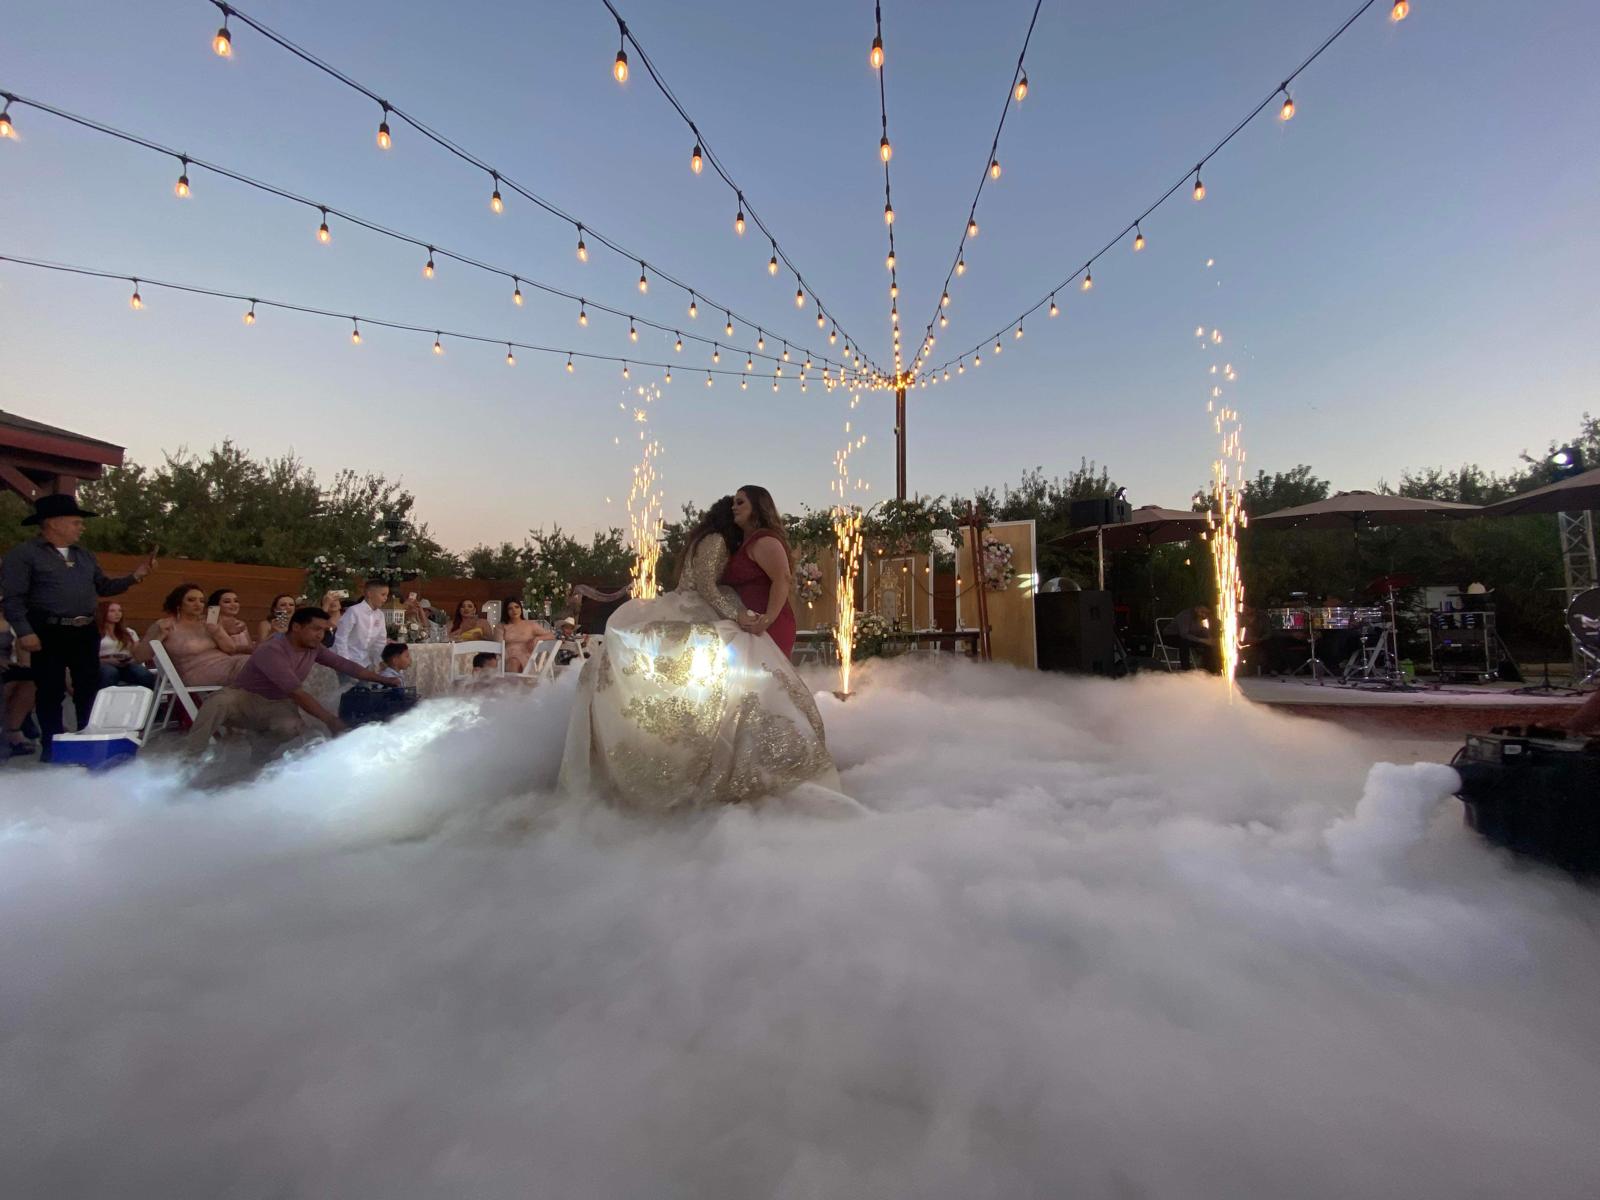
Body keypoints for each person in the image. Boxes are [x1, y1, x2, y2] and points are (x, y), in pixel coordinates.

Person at [560, 494, 844, 813]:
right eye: (733, 507)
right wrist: (737, 614)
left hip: (692, 606)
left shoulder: (706, 539)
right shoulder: (717, 540)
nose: (737, 513)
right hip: (696, 607)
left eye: (742, 504)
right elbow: (707, 587)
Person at [0, 493, 156, 760]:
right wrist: (25, 631)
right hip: (48, 629)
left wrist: (135, 576)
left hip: (84, 630)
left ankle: (86, 741)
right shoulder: (24, 555)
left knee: (88, 687)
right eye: (75, 522)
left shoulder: (84, 555)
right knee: (50, 690)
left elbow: (104, 587)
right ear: (53, 523)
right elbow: (13, 598)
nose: (81, 527)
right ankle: (52, 747)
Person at [184, 606, 399, 753]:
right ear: (296, 627)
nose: (320, 635)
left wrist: (383, 679)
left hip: (277, 703)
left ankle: (259, 757)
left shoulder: (314, 648)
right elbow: (297, 692)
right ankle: (189, 760)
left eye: (324, 631)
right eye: (315, 629)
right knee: (218, 702)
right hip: (245, 699)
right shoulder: (272, 649)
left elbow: (345, 665)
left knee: (291, 727)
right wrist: (330, 720)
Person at [722, 484, 798, 658]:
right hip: (749, 627)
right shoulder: (744, 543)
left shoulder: (764, 540)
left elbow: (782, 578)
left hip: (767, 627)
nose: (734, 507)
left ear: (757, 507)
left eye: (740, 502)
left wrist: (767, 619)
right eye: (733, 503)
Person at [139, 583, 252, 688]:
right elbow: (140, 657)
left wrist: (217, 631)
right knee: (252, 666)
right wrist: (159, 636)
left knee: (256, 661)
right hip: (197, 672)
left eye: (202, 601)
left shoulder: (209, 621)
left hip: (228, 664)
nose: (198, 604)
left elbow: (230, 649)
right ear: (178, 602)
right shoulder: (166, 625)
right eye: (191, 600)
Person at [2, 603, 39, 757]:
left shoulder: (13, 622)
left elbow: (24, 654)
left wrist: (24, 664)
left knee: (31, 676)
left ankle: (13, 730)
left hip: (7, 665)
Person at [332, 578, 391, 671]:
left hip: (365, 662)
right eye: (383, 594)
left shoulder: (380, 615)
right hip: (349, 659)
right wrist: (345, 662)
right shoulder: (354, 611)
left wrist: (379, 661)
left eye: (387, 595)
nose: (385, 598)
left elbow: (380, 642)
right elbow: (341, 637)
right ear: (369, 594)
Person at [96, 599, 156, 688]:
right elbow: (88, 656)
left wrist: (131, 657)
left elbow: (137, 653)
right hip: (103, 662)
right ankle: (102, 696)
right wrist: (106, 660)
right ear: (103, 613)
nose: (117, 614)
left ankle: (150, 696)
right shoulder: (94, 633)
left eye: (120, 611)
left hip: (125, 664)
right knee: (110, 673)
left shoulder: (129, 632)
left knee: (144, 674)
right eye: (112, 611)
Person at [496, 597, 555, 673]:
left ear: (521, 608)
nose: (514, 610)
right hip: (506, 658)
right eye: (510, 608)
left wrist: (537, 638)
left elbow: (552, 635)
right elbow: (498, 646)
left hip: (526, 659)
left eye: (517, 607)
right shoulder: (501, 626)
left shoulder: (530, 625)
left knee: (514, 662)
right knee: (512, 662)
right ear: (506, 611)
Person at [1170, 604, 1219, 672]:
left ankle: (1210, 670)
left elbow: (1203, 630)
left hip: (1189, 637)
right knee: (1184, 642)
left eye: (1206, 613)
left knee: (1208, 645)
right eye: (1202, 612)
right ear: (1196, 608)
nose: (1204, 615)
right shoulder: (1185, 616)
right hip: (1172, 636)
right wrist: (1202, 640)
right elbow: (1184, 634)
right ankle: (1186, 670)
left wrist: (1209, 639)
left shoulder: (1202, 619)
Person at [207, 588, 255, 653]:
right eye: (227, 602)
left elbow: (251, 647)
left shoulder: (241, 623)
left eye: (236, 601)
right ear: (216, 605)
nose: (234, 604)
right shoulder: (212, 622)